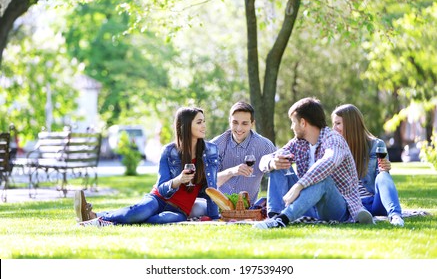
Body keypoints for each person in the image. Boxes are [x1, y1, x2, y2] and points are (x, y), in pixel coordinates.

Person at [75, 107, 220, 227]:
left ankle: (102, 218)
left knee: (165, 220)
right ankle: (94, 218)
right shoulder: (169, 151)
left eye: (203, 122)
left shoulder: (211, 151)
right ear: (187, 125)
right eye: (199, 122)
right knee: (139, 212)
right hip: (158, 200)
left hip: (179, 210)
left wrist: (215, 218)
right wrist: (178, 180)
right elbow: (162, 187)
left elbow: (211, 188)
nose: (204, 126)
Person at [253, 97, 373, 229]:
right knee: (280, 161)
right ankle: (274, 217)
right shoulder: (299, 142)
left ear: (303, 123)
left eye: (293, 122)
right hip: (308, 204)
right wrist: (272, 163)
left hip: (337, 208)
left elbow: (329, 161)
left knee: (323, 180)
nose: (291, 127)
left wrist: (299, 185)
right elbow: (264, 160)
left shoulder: (333, 139)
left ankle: (283, 219)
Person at [332, 104, 404, 226]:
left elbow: (381, 179)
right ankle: (361, 215)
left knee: (383, 176)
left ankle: (396, 217)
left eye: (338, 123)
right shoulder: (334, 148)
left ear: (351, 124)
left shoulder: (376, 145)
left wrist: (384, 169)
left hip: (375, 202)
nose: (334, 128)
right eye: (333, 124)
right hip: (351, 205)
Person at [210, 101, 277, 205]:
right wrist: (232, 171)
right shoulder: (215, 145)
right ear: (229, 121)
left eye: (244, 123)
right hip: (218, 206)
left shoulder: (265, 146)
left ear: (252, 124)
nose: (239, 128)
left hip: (249, 208)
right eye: (235, 122)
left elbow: (278, 177)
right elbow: (210, 183)